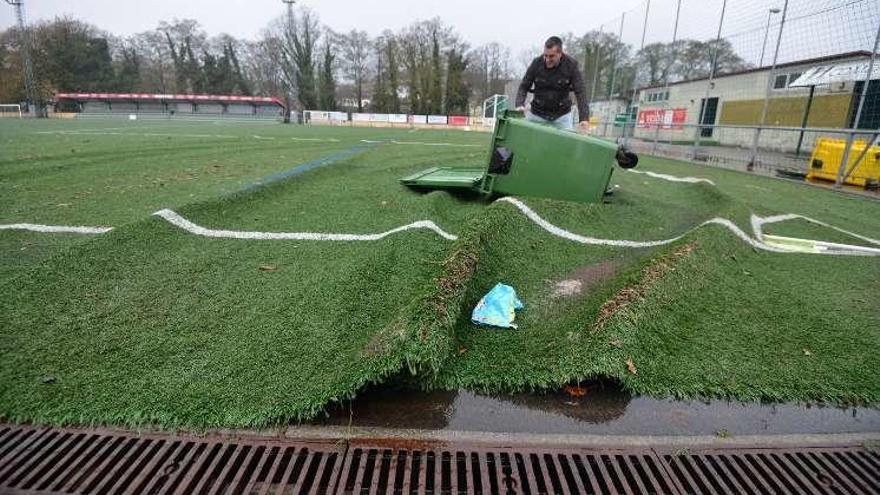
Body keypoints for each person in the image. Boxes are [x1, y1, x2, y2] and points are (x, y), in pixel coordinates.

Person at [515, 36, 590, 132]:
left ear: (560, 54)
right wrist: (519, 104)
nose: (547, 59)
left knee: (565, 145)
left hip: (562, 116)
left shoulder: (571, 65)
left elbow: (580, 92)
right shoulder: (536, 63)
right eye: (545, 55)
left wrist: (584, 118)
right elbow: (524, 86)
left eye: (551, 56)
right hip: (537, 114)